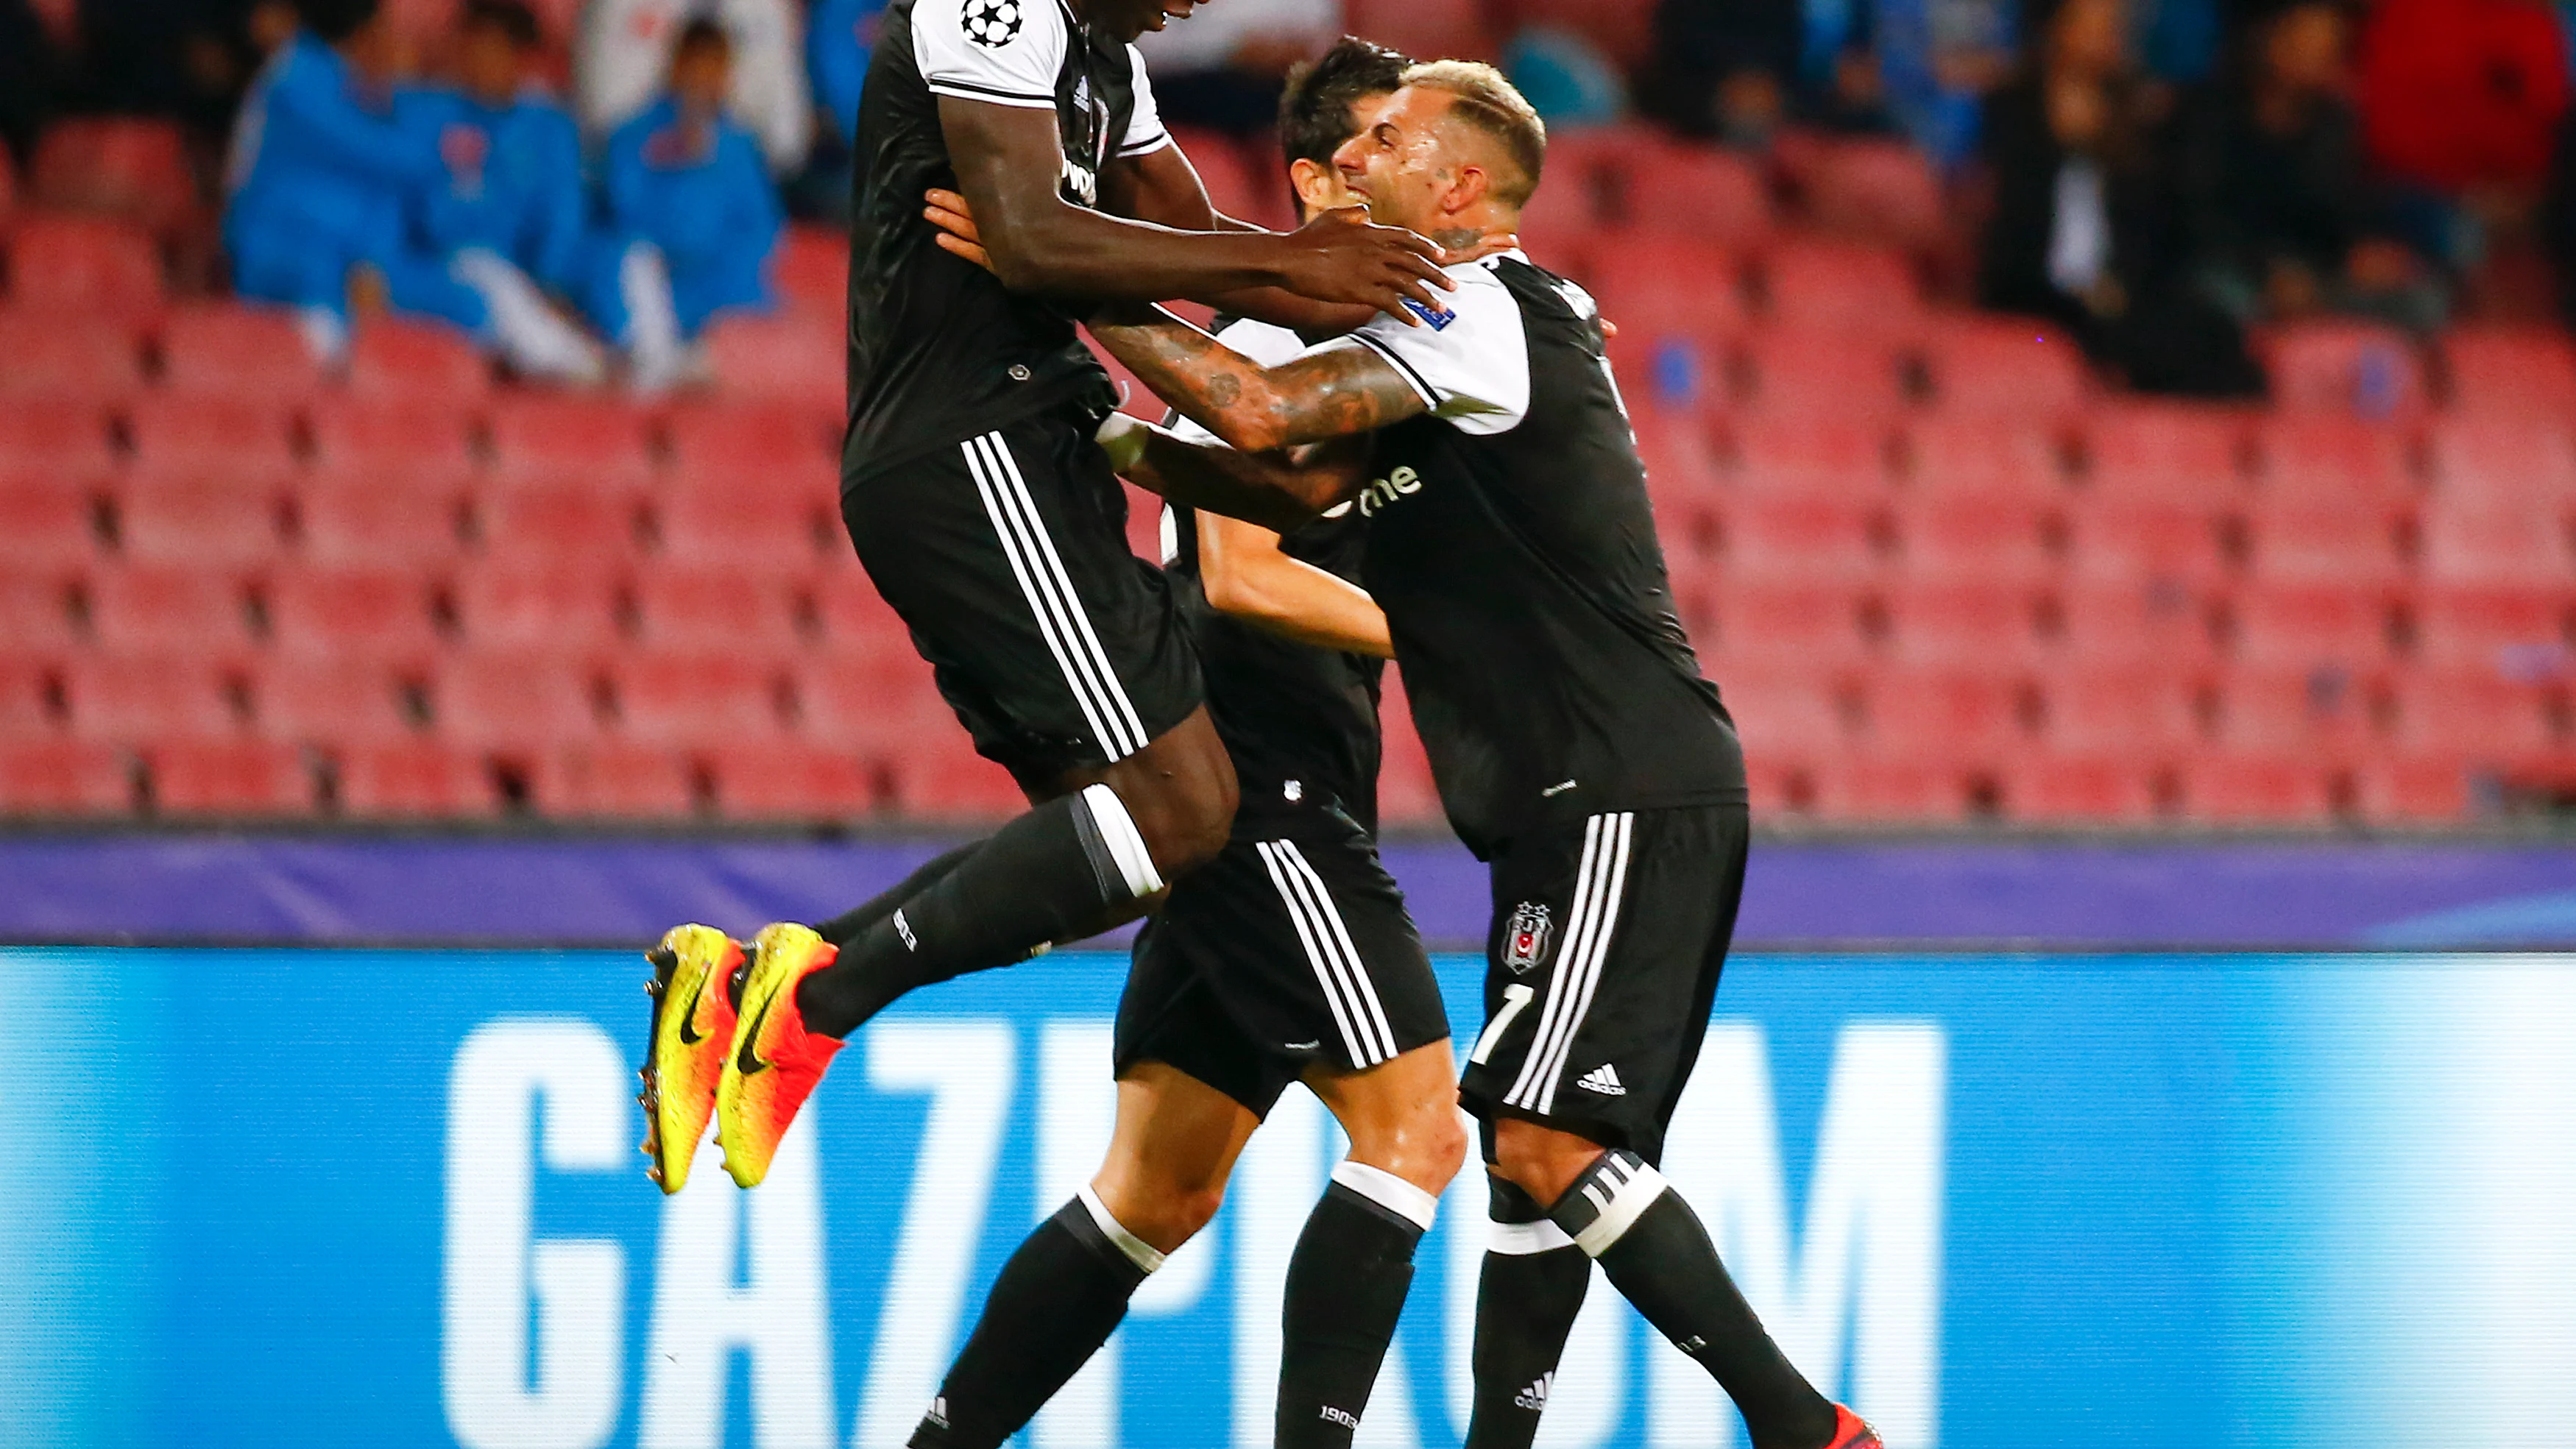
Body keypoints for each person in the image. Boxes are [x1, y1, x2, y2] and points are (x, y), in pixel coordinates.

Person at [1077, 61, 1881, 1449]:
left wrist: (1066, 283)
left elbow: (1264, 416)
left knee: (1546, 1142)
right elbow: (1282, 482)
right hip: (1580, 792)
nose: (1355, 155)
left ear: (1454, 190)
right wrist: (1117, 441)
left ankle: (1807, 1426)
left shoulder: (1469, 308)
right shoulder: (1483, 319)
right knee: (1530, 1156)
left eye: (1387, 139)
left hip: (1615, 779)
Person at [634, 0, 1464, 1217]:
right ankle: (810, 1003)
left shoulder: (1103, 59)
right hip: (977, 442)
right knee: (1180, 805)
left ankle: (761, 989)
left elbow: (1183, 227)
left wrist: (1360, 294)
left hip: (1032, 446)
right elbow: (1028, 240)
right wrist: (1281, 270)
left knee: (1137, 840)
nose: (1190, 6)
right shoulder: (995, 9)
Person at [886, 42, 1471, 1449]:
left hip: (1275, 782)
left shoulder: (1341, 341)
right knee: (1420, 1131)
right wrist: (1453, 638)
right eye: (1392, 143)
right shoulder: (1270, 342)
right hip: (1265, 796)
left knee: (1153, 1194)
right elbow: (1242, 574)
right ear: (1324, 178)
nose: (1428, 174)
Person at [226, 0, 597, 377]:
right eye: (385, 30)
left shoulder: (358, 88)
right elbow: (384, 157)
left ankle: (566, 375)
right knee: (328, 314)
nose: (395, 42)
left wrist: (368, 260)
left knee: (471, 305)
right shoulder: (295, 80)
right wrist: (410, 101)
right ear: (362, 33)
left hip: (358, 262)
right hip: (287, 259)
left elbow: (388, 199)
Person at [1973, 0, 2263, 397]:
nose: (2106, 37)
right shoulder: (2012, 108)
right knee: (2125, 339)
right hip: (2033, 302)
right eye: (2093, 23)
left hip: (2118, 295)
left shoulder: (2134, 121)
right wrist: (2066, 145)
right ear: (2056, 27)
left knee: (2216, 332)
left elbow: (2155, 226)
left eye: (2113, 26)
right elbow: (2009, 225)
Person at [400, 0, 638, 386]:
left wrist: (551, 283)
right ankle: (567, 365)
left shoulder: (547, 126)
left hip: (528, 276)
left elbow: (562, 217)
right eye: (473, 48)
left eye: (493, 50)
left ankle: (646, 363)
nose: (480, 61)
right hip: (448, 269)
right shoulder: (429, 114)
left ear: (519, 57)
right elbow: (429, 217)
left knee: (630, 256)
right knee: (483, 266)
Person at [2173, 1, 2442, 333]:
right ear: (2267, 38)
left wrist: (2359, 252)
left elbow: (2343, 212)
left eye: (2328, 45)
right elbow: (2198, 217)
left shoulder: (2333, 123)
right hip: (2235, 267)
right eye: (2306, 40)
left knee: (2422, 298)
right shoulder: (2208, 113)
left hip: (2316, 275)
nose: (2317, 55)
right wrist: (2270, 271)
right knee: (2218, 300)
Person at [599, 18, 782, 384]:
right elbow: (624, 215)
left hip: (721, 297)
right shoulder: (632, 137)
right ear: (676, 64)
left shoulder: (740, 146)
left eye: (715, 67)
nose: (704, 77)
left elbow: (760, 230)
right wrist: (683, 152)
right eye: (696, 64)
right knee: (635, 266)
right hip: (653, 291)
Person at [576, 0, 813, 174]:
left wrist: (724, 147)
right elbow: (605, 123)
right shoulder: (620, 7)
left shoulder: (765, 9)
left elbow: (787, 139)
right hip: (642, 176)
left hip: (743, 177)